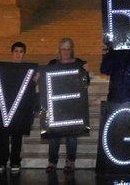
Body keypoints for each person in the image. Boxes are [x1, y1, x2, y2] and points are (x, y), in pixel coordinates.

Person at [45, 37, 88, 173]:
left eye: (68, 49)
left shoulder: (80, 63)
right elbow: (46, 82)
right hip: (56, 105)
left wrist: (86, 73)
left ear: (72, 50)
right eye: (63, 49)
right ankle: (52, 162)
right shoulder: (52, 63)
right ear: (59, 50)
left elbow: (85, 83)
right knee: (54, 136)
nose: (65, 52)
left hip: (73, 105)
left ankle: (70, 161)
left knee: (72, 136)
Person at [0, 41, 29, 174]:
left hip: (19, 107)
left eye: (21, 51)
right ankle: (0, 162)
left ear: (24, 54)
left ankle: (15, 161)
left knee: (17, 135)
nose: (18, 54)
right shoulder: (3, 68)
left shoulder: (28, 69)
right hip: (4, 106)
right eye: (16, 51)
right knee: (2, 135)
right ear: (12, 53)